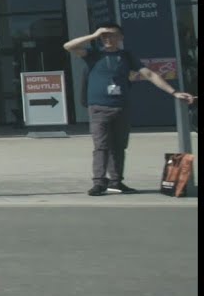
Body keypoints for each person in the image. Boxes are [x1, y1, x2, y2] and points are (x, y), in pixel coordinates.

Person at [64, 24, 194, 196]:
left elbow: (149, 74)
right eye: (105, 36)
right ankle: (99, 182)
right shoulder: (93, 54)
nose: (108, 39)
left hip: (121, 106)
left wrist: (174, 92)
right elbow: (68, 46)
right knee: (101, 146)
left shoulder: (126, 56)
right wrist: (94, 35)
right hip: (98, 108)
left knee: (119, 146)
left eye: (112, 36)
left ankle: (117, 181)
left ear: (121, 38)